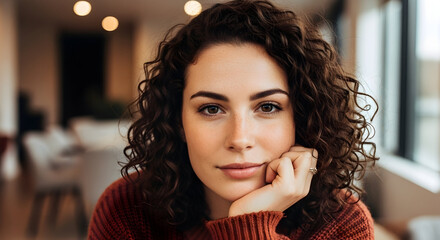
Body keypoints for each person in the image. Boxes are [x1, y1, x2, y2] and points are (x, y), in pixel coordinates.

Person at [88, 0, 378, 239]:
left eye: (267, 107)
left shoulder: (341, 223)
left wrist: (248, 225)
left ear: (300, 117)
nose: (239, 139)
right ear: (178, 122)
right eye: (211, 109)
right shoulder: (126, 209)